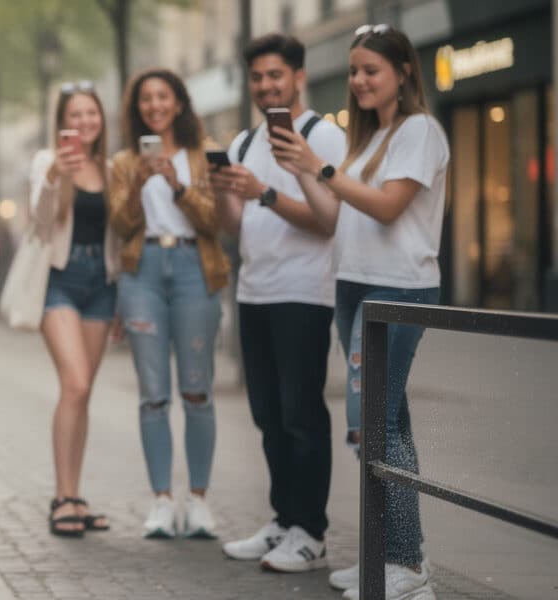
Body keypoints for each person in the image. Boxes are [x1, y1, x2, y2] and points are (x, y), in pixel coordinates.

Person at [271, 24, 448, 600]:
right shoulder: (371, 138)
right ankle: (387, 554)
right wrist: (302, 167)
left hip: (397, 289)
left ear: (403, 73)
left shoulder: (420, 130)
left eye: (371, 69)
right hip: (356, 288)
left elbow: (390, 208)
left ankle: (407, 562)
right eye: (353, 70)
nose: (359, 80)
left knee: (374, 424)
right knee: (383, 424)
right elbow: (341, 210)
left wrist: (323, 170)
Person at [209, 33, 347, 573]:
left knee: (301, 415)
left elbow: (327, 221)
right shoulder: (244, 142)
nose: (266, 86)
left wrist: (264, 192)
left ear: (297, 77)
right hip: (254, 293)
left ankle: (310, 532)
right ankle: (283, 520)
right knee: (267, 415)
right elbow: (232, 226)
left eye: (275, 76)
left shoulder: (322, 137)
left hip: (305, 293)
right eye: (258, 78)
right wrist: (227, 187)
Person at [109, 68, 228, 540]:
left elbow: (218, 221)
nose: (154, 106)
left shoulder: (204, 155)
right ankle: (161, 500)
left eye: (163, 97)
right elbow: (120, 226)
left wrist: (179, 185)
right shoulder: (123, 162)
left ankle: (198, 500)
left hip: (195, 269)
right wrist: (139, 183)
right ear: (137, 108)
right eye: (145, 99)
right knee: (153, 394)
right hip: (142, 274)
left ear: (179, 103)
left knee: (197, 391)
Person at [29, 81, 119, 538]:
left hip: (101, 287)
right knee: (75, 383)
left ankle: (75, 494)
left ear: (101, 119)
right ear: (63, 123)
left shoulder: (110, 167)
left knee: (84, 393)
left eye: (91, 114)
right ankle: (62, 497)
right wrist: (56, 177)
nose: (84, 122)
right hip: (60, 282)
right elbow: (41, 225)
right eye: (75, 116)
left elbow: (120, 235)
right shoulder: (48, 162)